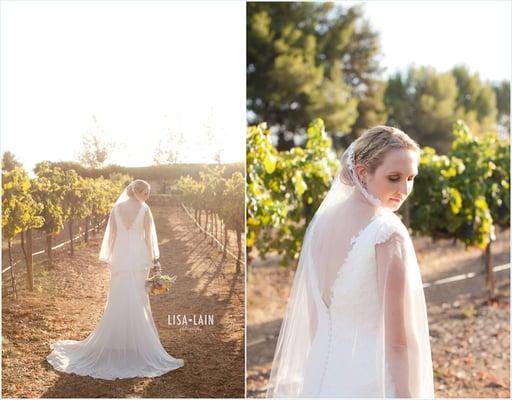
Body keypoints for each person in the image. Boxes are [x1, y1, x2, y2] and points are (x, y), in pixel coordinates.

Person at [266, 126, 435, 398]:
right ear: (362, 173)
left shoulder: (320, 224)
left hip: (320, 377)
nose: (404, 190)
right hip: (370, 383)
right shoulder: (387, 233)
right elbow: (399, 342)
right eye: (394, 178)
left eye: (411, 178)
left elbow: (314, 320)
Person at [47, 179, 184, 379]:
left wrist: (112, 258)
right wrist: (155, 261)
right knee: (138, 298)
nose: (147, 197)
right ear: (140, 192)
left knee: (119, 297)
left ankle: (118, 342)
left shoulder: (117, 208)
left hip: (120, 257)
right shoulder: (144, 210)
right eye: (146, 193)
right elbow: (148, 238)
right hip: (138, 258)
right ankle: (134, 344)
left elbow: (111, 236)